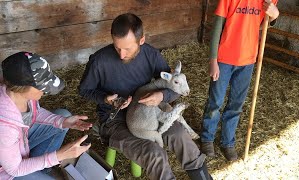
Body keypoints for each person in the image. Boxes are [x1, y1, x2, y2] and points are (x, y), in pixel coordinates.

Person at [79, 13, 212, 180]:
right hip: (115, 121)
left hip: (149, 113)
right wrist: (105, 98)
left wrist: (161, 95)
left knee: (180, 135)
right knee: (154, 154)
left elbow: (172, 85)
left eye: (127, 48)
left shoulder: (151, 55)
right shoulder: (99, 61)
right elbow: (84, 90)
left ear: (141, 40)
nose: (121, 54)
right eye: (117, 47)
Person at [200, 0, 279, 161]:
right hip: (224, 59)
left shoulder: (268, 0)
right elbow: (216, 29)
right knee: (215, 101)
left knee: (236, 104)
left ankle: (227, 142)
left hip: (247, 60)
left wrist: (275, 16)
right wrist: (213, 60)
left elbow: (262, 25)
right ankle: (207, 138)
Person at [0, 52, 92, 180]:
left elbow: (35, 114)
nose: (45, 91)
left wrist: (63, 121)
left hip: (21, 144)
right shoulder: (4, 127)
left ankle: (42, 168)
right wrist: (59, 156)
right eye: (42, 87)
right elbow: (15, 169)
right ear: (23, 87)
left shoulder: (20, 95)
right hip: (7, 171)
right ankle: (41, 169)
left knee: (63, 115)